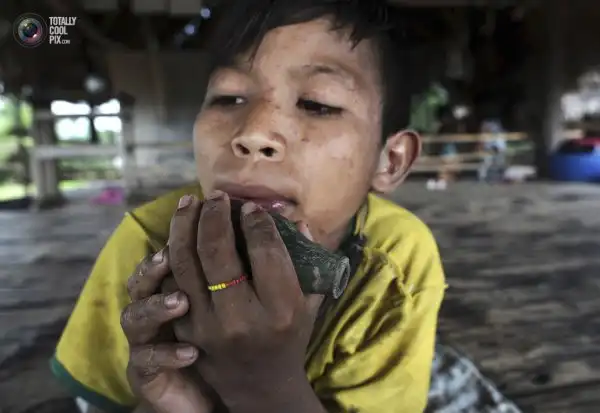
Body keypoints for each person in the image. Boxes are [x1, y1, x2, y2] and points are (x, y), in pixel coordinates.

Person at [50, 1, 446, 412]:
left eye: (317, 104)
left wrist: (265, 384)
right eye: (228, 98)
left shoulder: (395, 263)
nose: (254, 134)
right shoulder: (147, 242)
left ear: (390, 160)